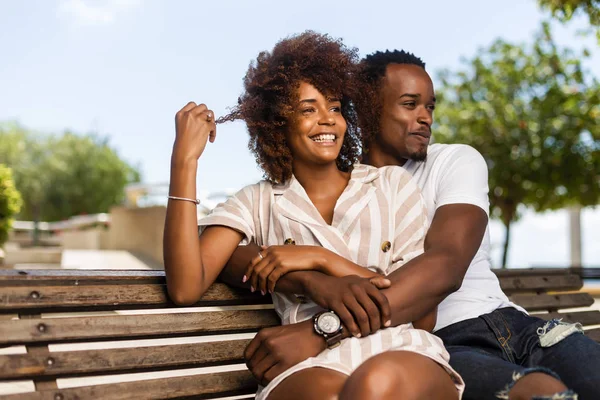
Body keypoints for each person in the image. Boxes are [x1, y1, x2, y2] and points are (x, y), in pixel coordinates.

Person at [223, 50, 600, 400]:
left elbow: (445, 266)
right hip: (445, 345)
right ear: (368, 110)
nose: (426, 117)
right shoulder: (341, 192)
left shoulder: (453, 161)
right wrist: (304, 272)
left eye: (430, 106)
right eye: (410, 104)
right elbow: (235, 254)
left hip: (515, 325)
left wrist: (320, 328)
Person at [164, 32, 463, 400]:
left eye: (335, 108)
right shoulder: (258, 201)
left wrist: (320, 259)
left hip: (399, 345)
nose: (327, 121)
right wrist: (185, 160)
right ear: (277, 124)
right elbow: (184, 286)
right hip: (306, 361)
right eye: (308, 109)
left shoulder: (391, 185)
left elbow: (423, 316)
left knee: (376, 385)